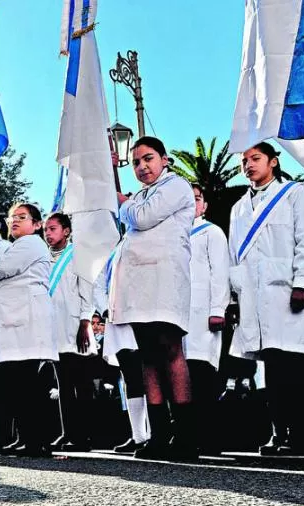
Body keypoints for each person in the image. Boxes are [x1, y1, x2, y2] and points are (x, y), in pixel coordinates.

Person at [227, 142, 304, 455]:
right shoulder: (239, 208)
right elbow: (234, 257)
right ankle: (278, 432)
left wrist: (302, 284)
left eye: (255, 158)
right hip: (255, 299)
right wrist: (234, 297)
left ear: (273, 161)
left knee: (297, 364)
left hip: (288, 293)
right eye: (244, 161)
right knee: (271, 368)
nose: (249, 165)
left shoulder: (295, 194)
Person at [113, 136, 196, 460]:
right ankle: (160, 434)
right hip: (139, 283)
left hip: (164, 279)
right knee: (147, 355)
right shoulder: (141, 196)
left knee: (170, 349)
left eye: (148, 158)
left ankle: (186, 435)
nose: (142, 166)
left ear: (165, 159)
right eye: (135, 162)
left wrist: (123, 202)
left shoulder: (176, 186)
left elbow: (144, 217)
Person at [0, 203, 59, 457]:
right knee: (17, 383)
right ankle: (27, 437)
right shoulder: (17, 246)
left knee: (26, 384)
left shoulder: (31, 243)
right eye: (12, 217)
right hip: (15, 322)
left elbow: (0, 270)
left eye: (22, 217)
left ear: (36, 224)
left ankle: (36, 440)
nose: (14, 221)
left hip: (26, 321)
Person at [183, 185, 231, 454]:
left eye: (197, 199)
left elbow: (220, 272)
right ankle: (188, 436)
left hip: (203, 314)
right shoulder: (173, 233)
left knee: (202, 375)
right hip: (178, 315)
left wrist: (218, 309)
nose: (191, 204)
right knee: (182, 379)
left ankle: (210, 439)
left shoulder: (211, 232)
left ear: (204, 205)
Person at [44, 213, 97, 452]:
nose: (48, 234)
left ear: (66, 231)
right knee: (63, 384)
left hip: (76, 327)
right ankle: (68, 432)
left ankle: (85, 436)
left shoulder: (78, 255)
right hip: (54, 328)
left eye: (53, 229)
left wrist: (85, 323)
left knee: (81, 384)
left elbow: (87, 291)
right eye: (46, 230)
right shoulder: (43, 259)